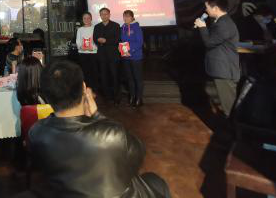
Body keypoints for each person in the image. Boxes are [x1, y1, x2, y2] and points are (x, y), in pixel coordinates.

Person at [28, 60, 171, 198]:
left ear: (46, 96)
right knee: (156, 182)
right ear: (84, 88)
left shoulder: (36, 133)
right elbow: (138, 154)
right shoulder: (112, 134)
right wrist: (97, 115)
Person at [195, 0, 240, 117]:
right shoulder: (221, 21)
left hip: (225, 70)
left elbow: (209, 42)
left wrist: (202, 27)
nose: (206, 10)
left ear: (215, 8)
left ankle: (232, 128)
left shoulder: (224, 24)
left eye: (207, 7)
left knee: (229, 107)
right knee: (227, 105)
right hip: (222, 69)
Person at [93, 7, 121, 102]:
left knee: (114, 76)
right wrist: (98, 40)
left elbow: (118, 39)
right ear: (100, 16)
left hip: (113, 55)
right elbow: (95, 38)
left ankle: (116, 96)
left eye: (106, 14)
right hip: (102, 56)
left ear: (109, 15)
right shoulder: (97, 26)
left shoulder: (116, 25)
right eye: (102, 14)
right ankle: (107, 96)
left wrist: (106, 41)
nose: (104, 16)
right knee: (104, 77)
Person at [120, 10, 145, 107]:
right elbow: (122, 41)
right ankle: (132, 96)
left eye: (127, 16)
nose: (125, 18)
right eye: (124, 16)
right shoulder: (123, 27)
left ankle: (139, 98)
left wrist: (130, 50)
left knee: (137, 78)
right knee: (129, 78)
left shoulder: (136, 27)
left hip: (136, 57)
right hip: (126, 57)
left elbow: (139, 42)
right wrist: (120, 48)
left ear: (132, 17)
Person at [75, 12, 99, 94]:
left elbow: (97, 41)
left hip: (93, 53)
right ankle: (86, 91)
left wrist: (93, 48)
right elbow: (78, 42)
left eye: (88, 18)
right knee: (84, 73)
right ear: (82, 20)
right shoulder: (80, 29)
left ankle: (94, 91)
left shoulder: (95, 28)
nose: (86, 20)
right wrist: (83, 47)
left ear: (91, 19)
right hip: (83, 54)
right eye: (84, 18)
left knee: (94, 73)